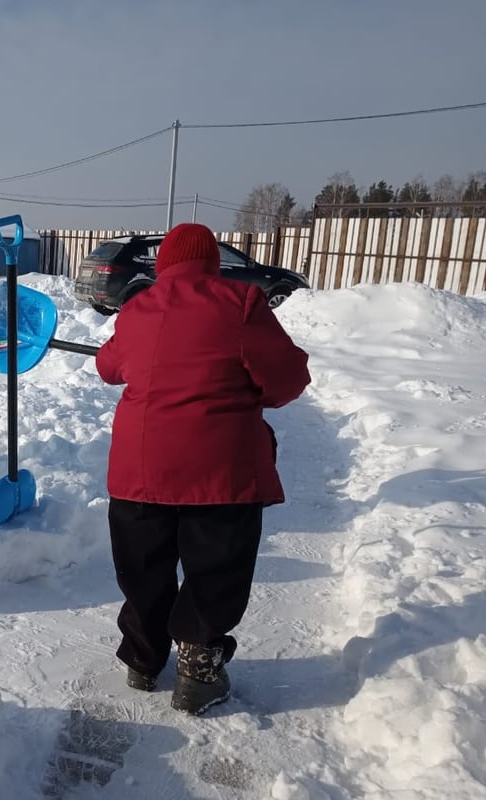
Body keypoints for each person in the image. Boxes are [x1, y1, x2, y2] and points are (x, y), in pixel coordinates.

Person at [94, 222, 311, 715]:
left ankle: (143, 660)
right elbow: (286, 379)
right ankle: (198, 668)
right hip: (222, 475)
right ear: (213, 261)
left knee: (143, 569)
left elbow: (108, 368)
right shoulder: (242, 303)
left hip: (139, 471)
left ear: (163, 263)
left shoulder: (137, 309)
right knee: (217, 569)